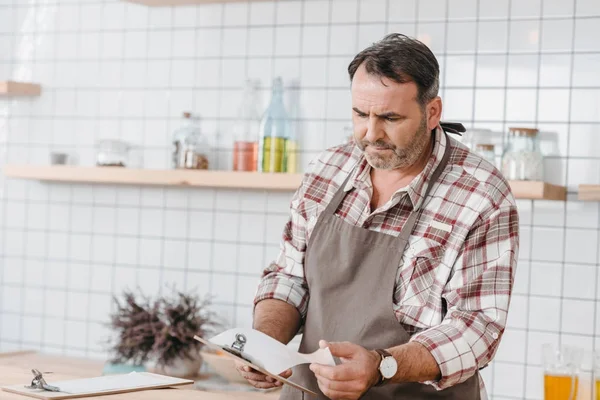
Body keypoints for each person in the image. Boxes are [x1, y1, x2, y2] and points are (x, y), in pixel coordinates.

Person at [236, 33, 519, 400]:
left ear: (432, 112)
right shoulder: (329, 168)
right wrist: (265, 342)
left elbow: (476, 328)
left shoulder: (480, 193)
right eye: (360, 114)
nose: (371, 134)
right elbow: (289, 276)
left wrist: (381, 365)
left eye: (390, 117)